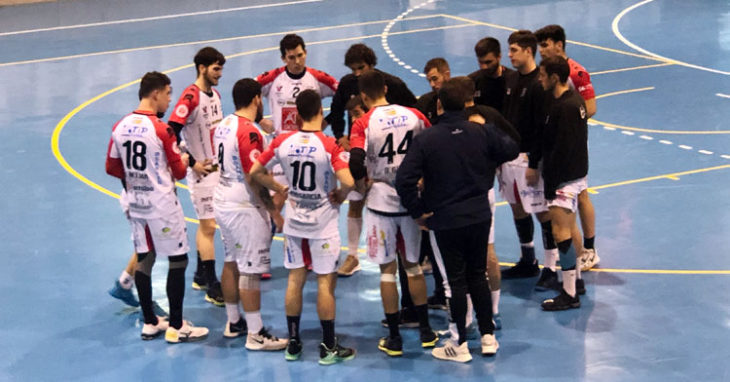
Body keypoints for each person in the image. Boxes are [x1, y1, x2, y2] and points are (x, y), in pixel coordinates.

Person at [396, 79, 519, 362]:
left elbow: (404, 180)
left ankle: (459, 342)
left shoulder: (427, 139)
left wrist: (417, 212)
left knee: (456, 280)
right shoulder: (482, 132)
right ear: (468, 104)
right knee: (478, 275)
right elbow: (511, 148)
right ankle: (488, 338)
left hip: (445, 219)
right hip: (479, 215)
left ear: (439, 105)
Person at [250, 90, 356, 365]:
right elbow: (349, 181)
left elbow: (255, 172)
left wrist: (278, 186)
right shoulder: (329, 145)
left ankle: (294, 343)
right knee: (324, 283)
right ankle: (328, 346)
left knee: (294, 280)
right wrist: (341, 196)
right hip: (323, 225)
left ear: (296, 115)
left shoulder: (283, 141)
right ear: (321, 113)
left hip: (295, 223)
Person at [105, 71, 208, 343]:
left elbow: (111, 167)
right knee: (178, 259)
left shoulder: (120, 126)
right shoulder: (161, 130)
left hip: (136, 203)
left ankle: (150, 321)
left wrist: (135, 181)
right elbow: (178, 171)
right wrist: (185, 160)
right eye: (168, 94)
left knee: (145, 257)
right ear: (155, 94)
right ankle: (176, 326)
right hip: (162, 204)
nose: (169, 100)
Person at [326, 44, 419, 324]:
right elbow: (336, 113)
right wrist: (343, 136)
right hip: (362, 153)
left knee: (395, 259)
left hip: (388, 169)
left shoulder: (393, 85)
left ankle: (405, 318)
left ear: (372, 65)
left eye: (361, 68)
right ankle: (353, 256)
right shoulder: (346, 86)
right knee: (356, 203)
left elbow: (415, 114)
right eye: (353, 70)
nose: (356, 74)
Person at [349, 71, 437, 356]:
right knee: (413, 267)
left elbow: (356, 161)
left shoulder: (364, 122)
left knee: (387, 271)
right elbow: (433, 144)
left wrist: (363, 186)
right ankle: (426, 331)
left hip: (380, 204)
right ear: (386, 88)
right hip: (411, 201)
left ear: (364, 96)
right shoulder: (413, 115)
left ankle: (395, 338)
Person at [213, 78, 288, 350]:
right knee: (251, 270)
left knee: (232, 260)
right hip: (243, 205)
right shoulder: (250, 132)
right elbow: (253, 176)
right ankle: (256, 333)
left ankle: (234, 322)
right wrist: (275, 203)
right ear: (257, 99)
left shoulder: (223, 125)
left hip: (222, 198)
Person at [498, 31, 560, 294]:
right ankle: (528, 259)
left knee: (542, 211)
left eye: (513, 50)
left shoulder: (538, 83)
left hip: (528, 160)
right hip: (510, 158)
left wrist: (535, 162)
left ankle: (551, 267)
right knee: (517, 209)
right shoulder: (511, 79)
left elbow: (541, 128)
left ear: (528, 51)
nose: (509, 55)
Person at [535, 24, 599, 271]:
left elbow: (590, 107)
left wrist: (567, 126)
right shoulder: (546, 74)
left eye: (545, 45)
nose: (541, 50)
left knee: (581, 195)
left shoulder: (576, 73)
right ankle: (578, 251)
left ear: (559, 45)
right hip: (555, 143)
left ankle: (590, 250)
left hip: (571, 144)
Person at [459, 76, 517, 331]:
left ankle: (482, 313)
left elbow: (512, 141)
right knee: (484, 253)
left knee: (475, 256)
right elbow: (513, 140)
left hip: (471, 193)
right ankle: (488, 310)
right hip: (480, 191)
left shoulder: (469, 121)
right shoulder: (488, 116)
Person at [168, 46, 225, 306]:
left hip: (217, 170)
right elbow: (171, 131)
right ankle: (212, 283)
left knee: (212, 224)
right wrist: (190, 162)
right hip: (201, 173)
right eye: (216, 69)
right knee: (208, 226)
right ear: (202, 68)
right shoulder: (190, 97)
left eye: (221, 69)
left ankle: (200, 274)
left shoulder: (216, 95)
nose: (220, 74)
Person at [535, 56, 589, 310]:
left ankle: (569, 293)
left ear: (555, 77)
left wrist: (551, 183)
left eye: (543, 74)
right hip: (577, 176)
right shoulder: (574, 101)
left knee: (561, 233)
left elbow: (560, 149)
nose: (540, 78)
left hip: (563, 180)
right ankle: (575, 281)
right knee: (571, 228)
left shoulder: (562, 108)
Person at [337, 96, 368, 277]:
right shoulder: (352, 141)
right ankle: (353, 256)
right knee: (355, 206)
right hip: (362, 179)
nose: (355, 120)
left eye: (357, 114)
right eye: (352, 116)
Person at [468, 37, 513, 111]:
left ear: (499, 57)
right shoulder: (471, 82)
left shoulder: (513, 79)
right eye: (480, 62)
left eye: (488, 62)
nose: (484, 67)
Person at [416, 57, 451, 124]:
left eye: (435, 79)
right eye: (429, 81)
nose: (432, 85)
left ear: (447, 75)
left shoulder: (461, 100)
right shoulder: (423, 103)